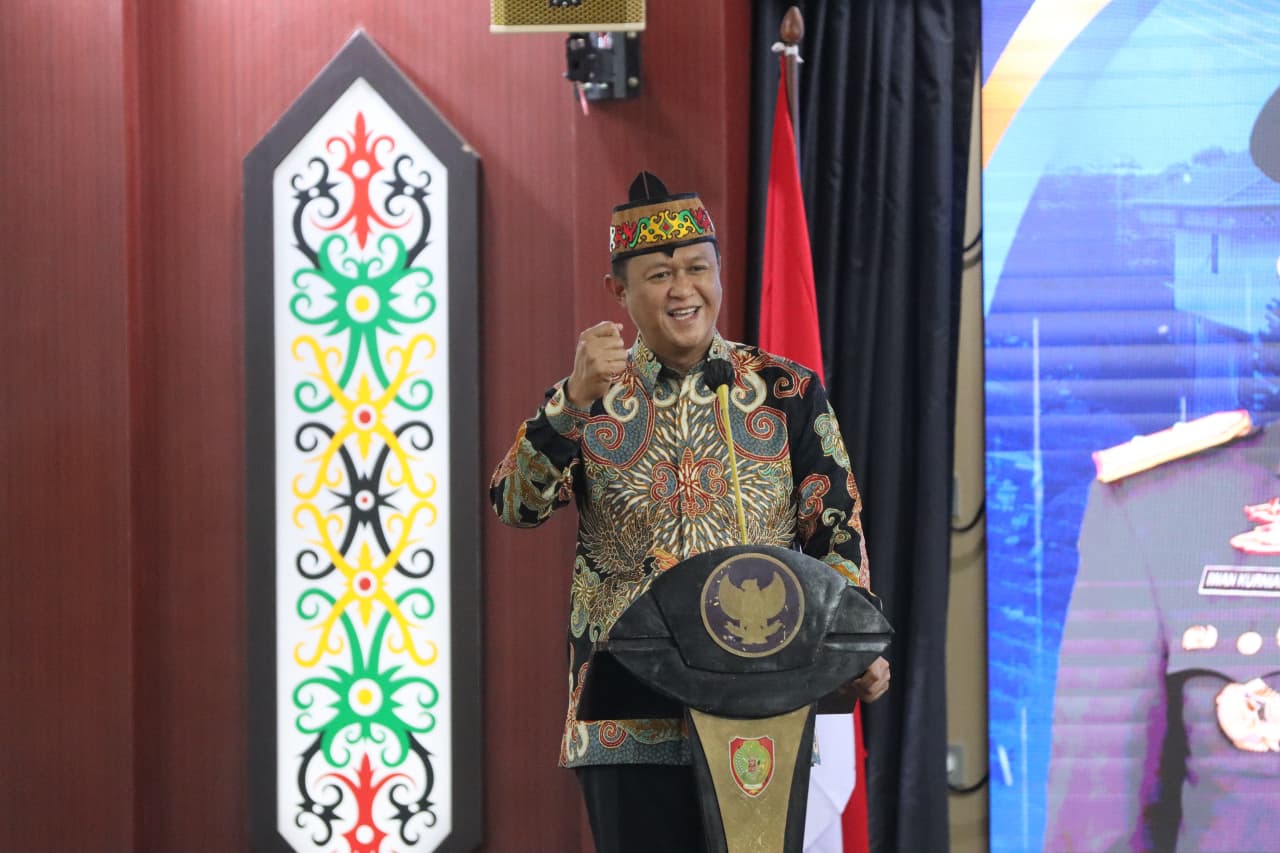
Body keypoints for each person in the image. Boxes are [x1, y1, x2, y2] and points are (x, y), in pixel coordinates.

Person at [489, 171, 890, 852]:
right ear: (618, 291)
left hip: (765, 710)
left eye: (698, 269)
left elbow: (836, 533)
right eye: (660, 274)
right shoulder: (587, 399)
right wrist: (571, 405)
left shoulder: (786, 391)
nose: (683, 289)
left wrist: (854, 646)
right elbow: (514, 505)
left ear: (720, 275)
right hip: (628, 718)